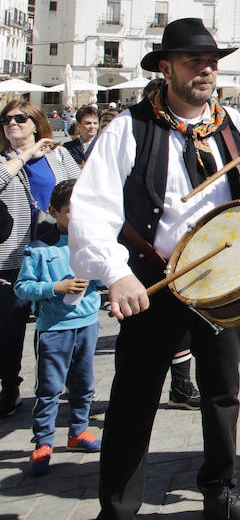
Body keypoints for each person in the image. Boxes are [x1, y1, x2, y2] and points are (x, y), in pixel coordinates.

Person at [69, 17, 240, 519]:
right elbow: (93, 209)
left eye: (212, 62)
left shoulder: (233, 124)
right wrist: (115, 272)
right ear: (166, 69)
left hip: (224, 281)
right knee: (134, 397)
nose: (207, 71)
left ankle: (221, 490)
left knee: (222, 390)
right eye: (195, 62)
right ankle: (119, 508)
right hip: (153, 278)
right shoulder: (130, 126)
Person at [0, 100, 84, 419]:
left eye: (21, 118)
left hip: (55, 251)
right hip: (12, 255)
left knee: (57, 322)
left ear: (36, 123)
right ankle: (9, 384)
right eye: (7, 120)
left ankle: (54, 385)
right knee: (9, 326)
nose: (13, 123)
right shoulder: (5, 159)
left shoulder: (59, 154)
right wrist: (24, 155)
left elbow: (79, 192)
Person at [15, 178, 102, 476]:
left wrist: (99, 278)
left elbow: (104, 276)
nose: (76, 217)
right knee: (50, 388)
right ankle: (43, 441)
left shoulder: (90, 242)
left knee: (84, 384)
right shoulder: (39, 247)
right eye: (69, 211)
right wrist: (55, 286)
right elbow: (23, 287)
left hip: (88, 323)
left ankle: (78, 431)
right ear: (53, 211)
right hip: (53, 328)